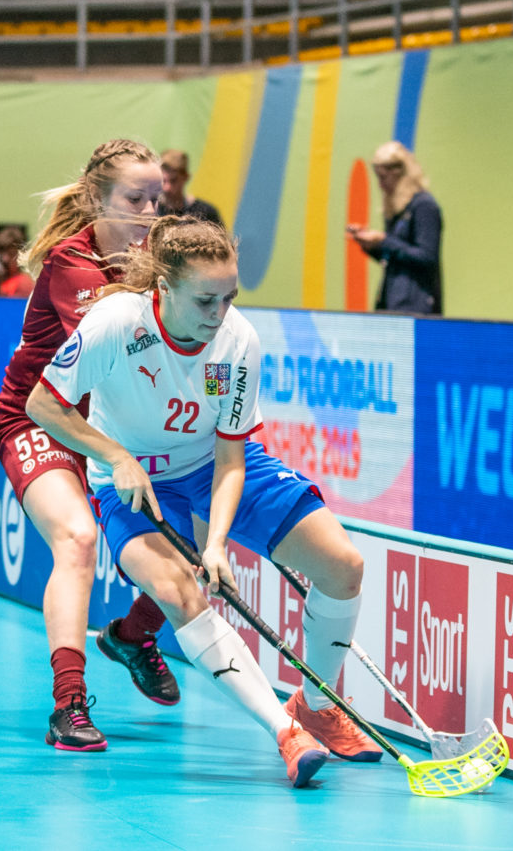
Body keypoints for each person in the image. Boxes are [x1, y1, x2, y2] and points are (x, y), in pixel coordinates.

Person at [25, 216, 381, 787]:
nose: (219, 314)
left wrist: (215, 543)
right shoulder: (116, 324)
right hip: (133, 481)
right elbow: (44, 405)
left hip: (210, 467)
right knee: (175, 590)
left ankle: (315, 705)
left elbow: (231, 455)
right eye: (205, 300)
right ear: (163, 288)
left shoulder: (236, 341)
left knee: (344, 565)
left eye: (229, 297)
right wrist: (116, 456)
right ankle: (284, 732)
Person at [0, 139, 180, 752]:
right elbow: (128, 353)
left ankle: (132, 633)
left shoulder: (157, 258)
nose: (149, 214)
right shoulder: (72, 266)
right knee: (78, 538)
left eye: (158, 200)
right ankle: (68, 705)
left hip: (109, 425)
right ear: (97, 200)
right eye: (135, 200)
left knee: (197, 527)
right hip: (37, 421)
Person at [347, 141, 442, 315]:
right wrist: (371, 246)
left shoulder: (424, 206)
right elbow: (396, 260)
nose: (380, 185)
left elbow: (427, 257)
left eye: (383, 178)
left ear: (400, 174)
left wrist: (384, 240)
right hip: (392, 302)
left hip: (416, 307)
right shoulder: (398, 210)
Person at [156, 150, 223, 229]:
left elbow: (222, 241)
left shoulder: (206, 213)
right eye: (163, 181)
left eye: (173, 180)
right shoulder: (153, 211)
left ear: (186, 177)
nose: (167, 188)